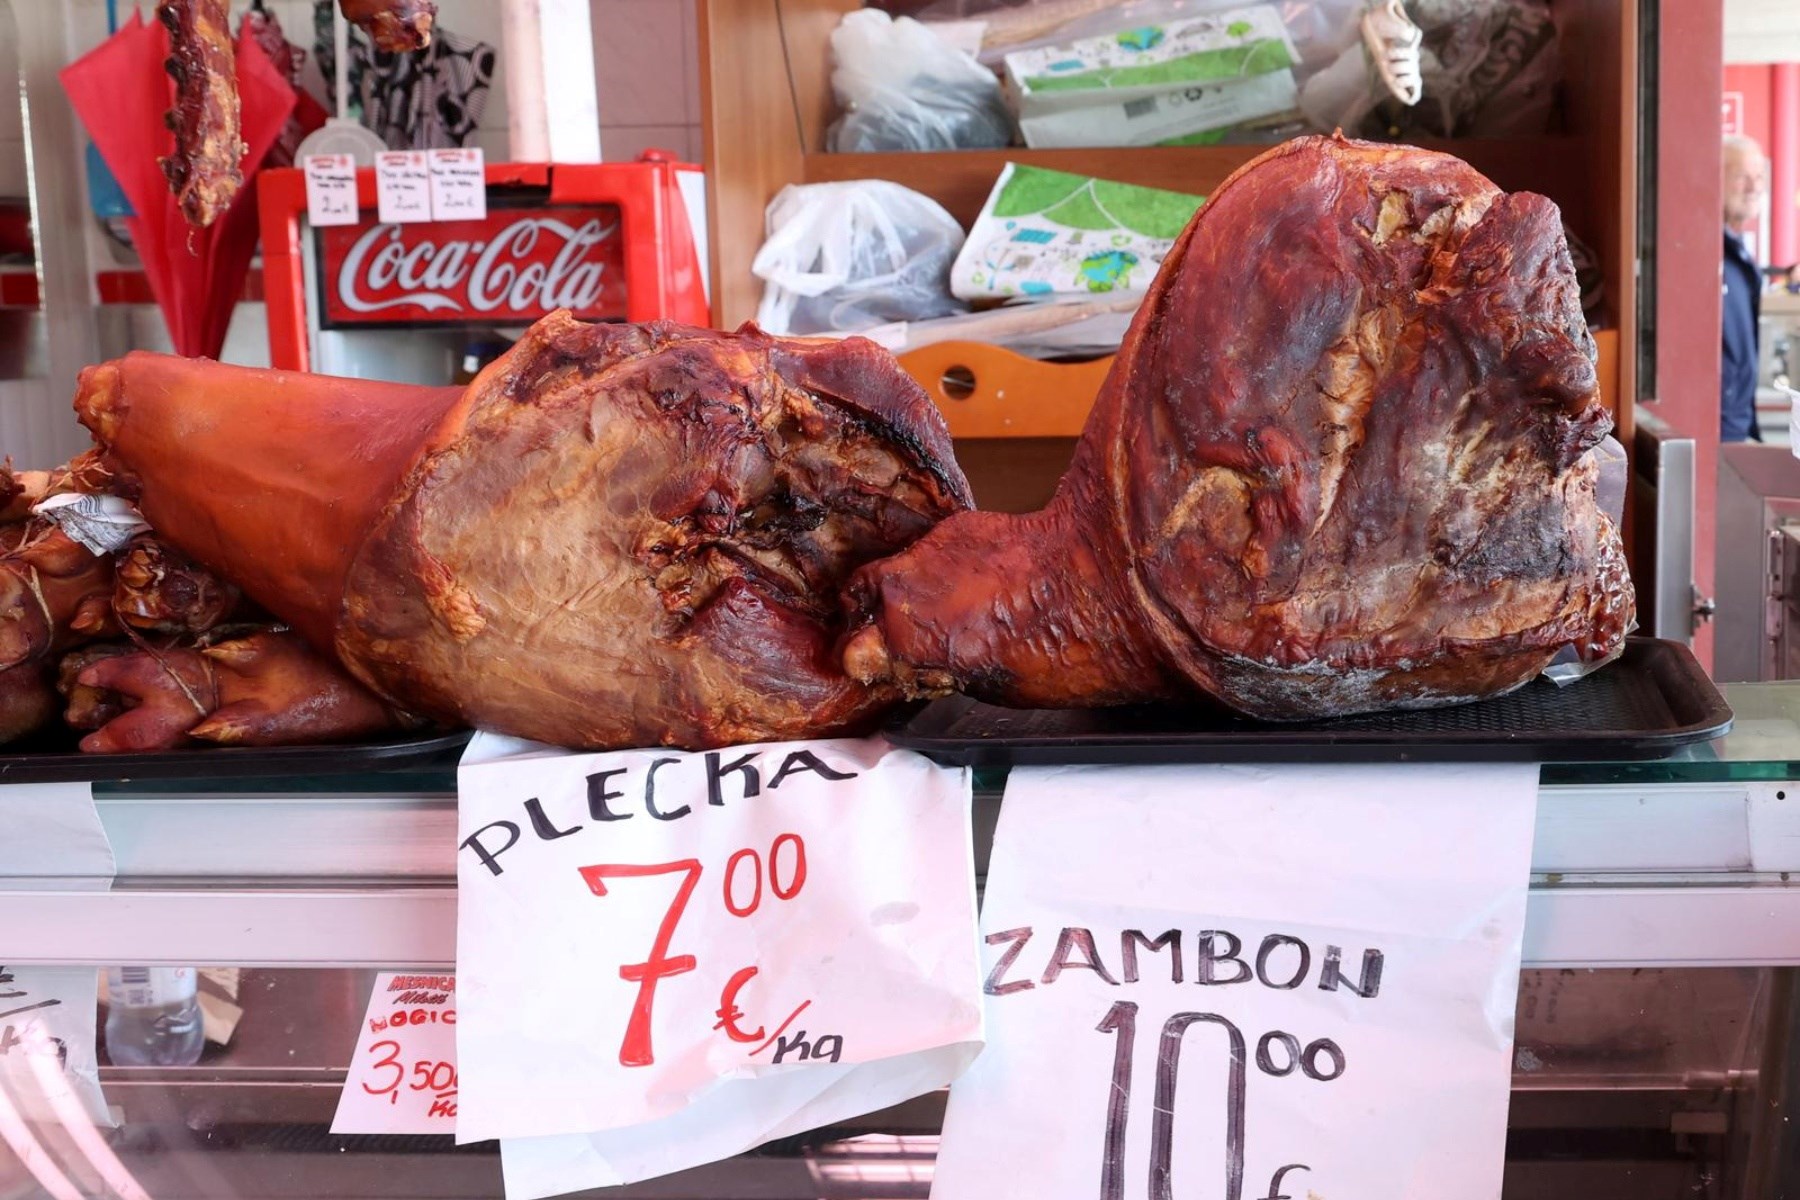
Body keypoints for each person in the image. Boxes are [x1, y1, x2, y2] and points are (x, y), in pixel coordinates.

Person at [1722, 134, 1768, 442]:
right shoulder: (1702, 253)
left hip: (1736, 430)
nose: (1753, 188)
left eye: (1759, 177)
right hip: (1714, 432)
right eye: (1742, 177)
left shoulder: (1736, 253)